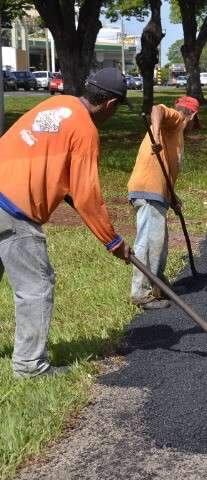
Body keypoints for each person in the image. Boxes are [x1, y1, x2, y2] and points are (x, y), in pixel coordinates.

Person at [0, 67, 131, 378]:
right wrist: (112, 240)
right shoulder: (85, 130)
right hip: (13, 209)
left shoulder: (54, 105)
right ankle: (30, 367)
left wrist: (62, 187)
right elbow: (87, 197)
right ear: (110, 105)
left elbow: (33, 149)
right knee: (36, 286)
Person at [127, 96, 200, 309]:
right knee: (149, 243)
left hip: (157, 192)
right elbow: (156, 109)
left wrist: (172, 197)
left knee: (159, 243)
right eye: (196, 122)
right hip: (148, 190)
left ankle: (157, 284)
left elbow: (165, 168)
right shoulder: (176, 119)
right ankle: (140, 293)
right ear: (192, 115)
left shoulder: (175, 133)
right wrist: (156, 136)